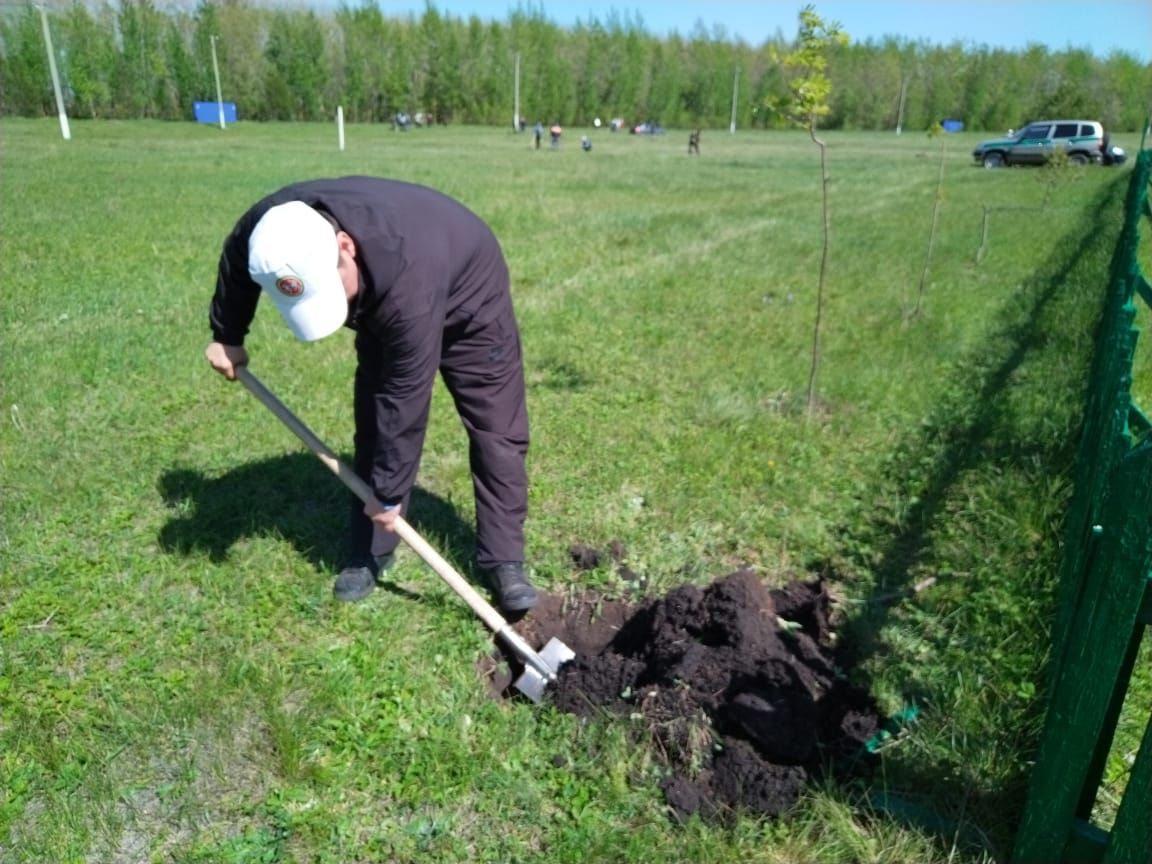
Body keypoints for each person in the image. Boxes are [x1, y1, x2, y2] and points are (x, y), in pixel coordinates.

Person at [204, 177, 538, 613]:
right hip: (393, 283)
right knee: (375, 426)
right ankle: (371, 549)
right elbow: (236, 259)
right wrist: (227, 334)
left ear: (346, 246)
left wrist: (389, 491)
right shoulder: (270, 230)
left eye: (330, 286)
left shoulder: (407, 282)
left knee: (498, 429)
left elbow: (406, 399)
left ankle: (503, 557)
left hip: (469, 290)